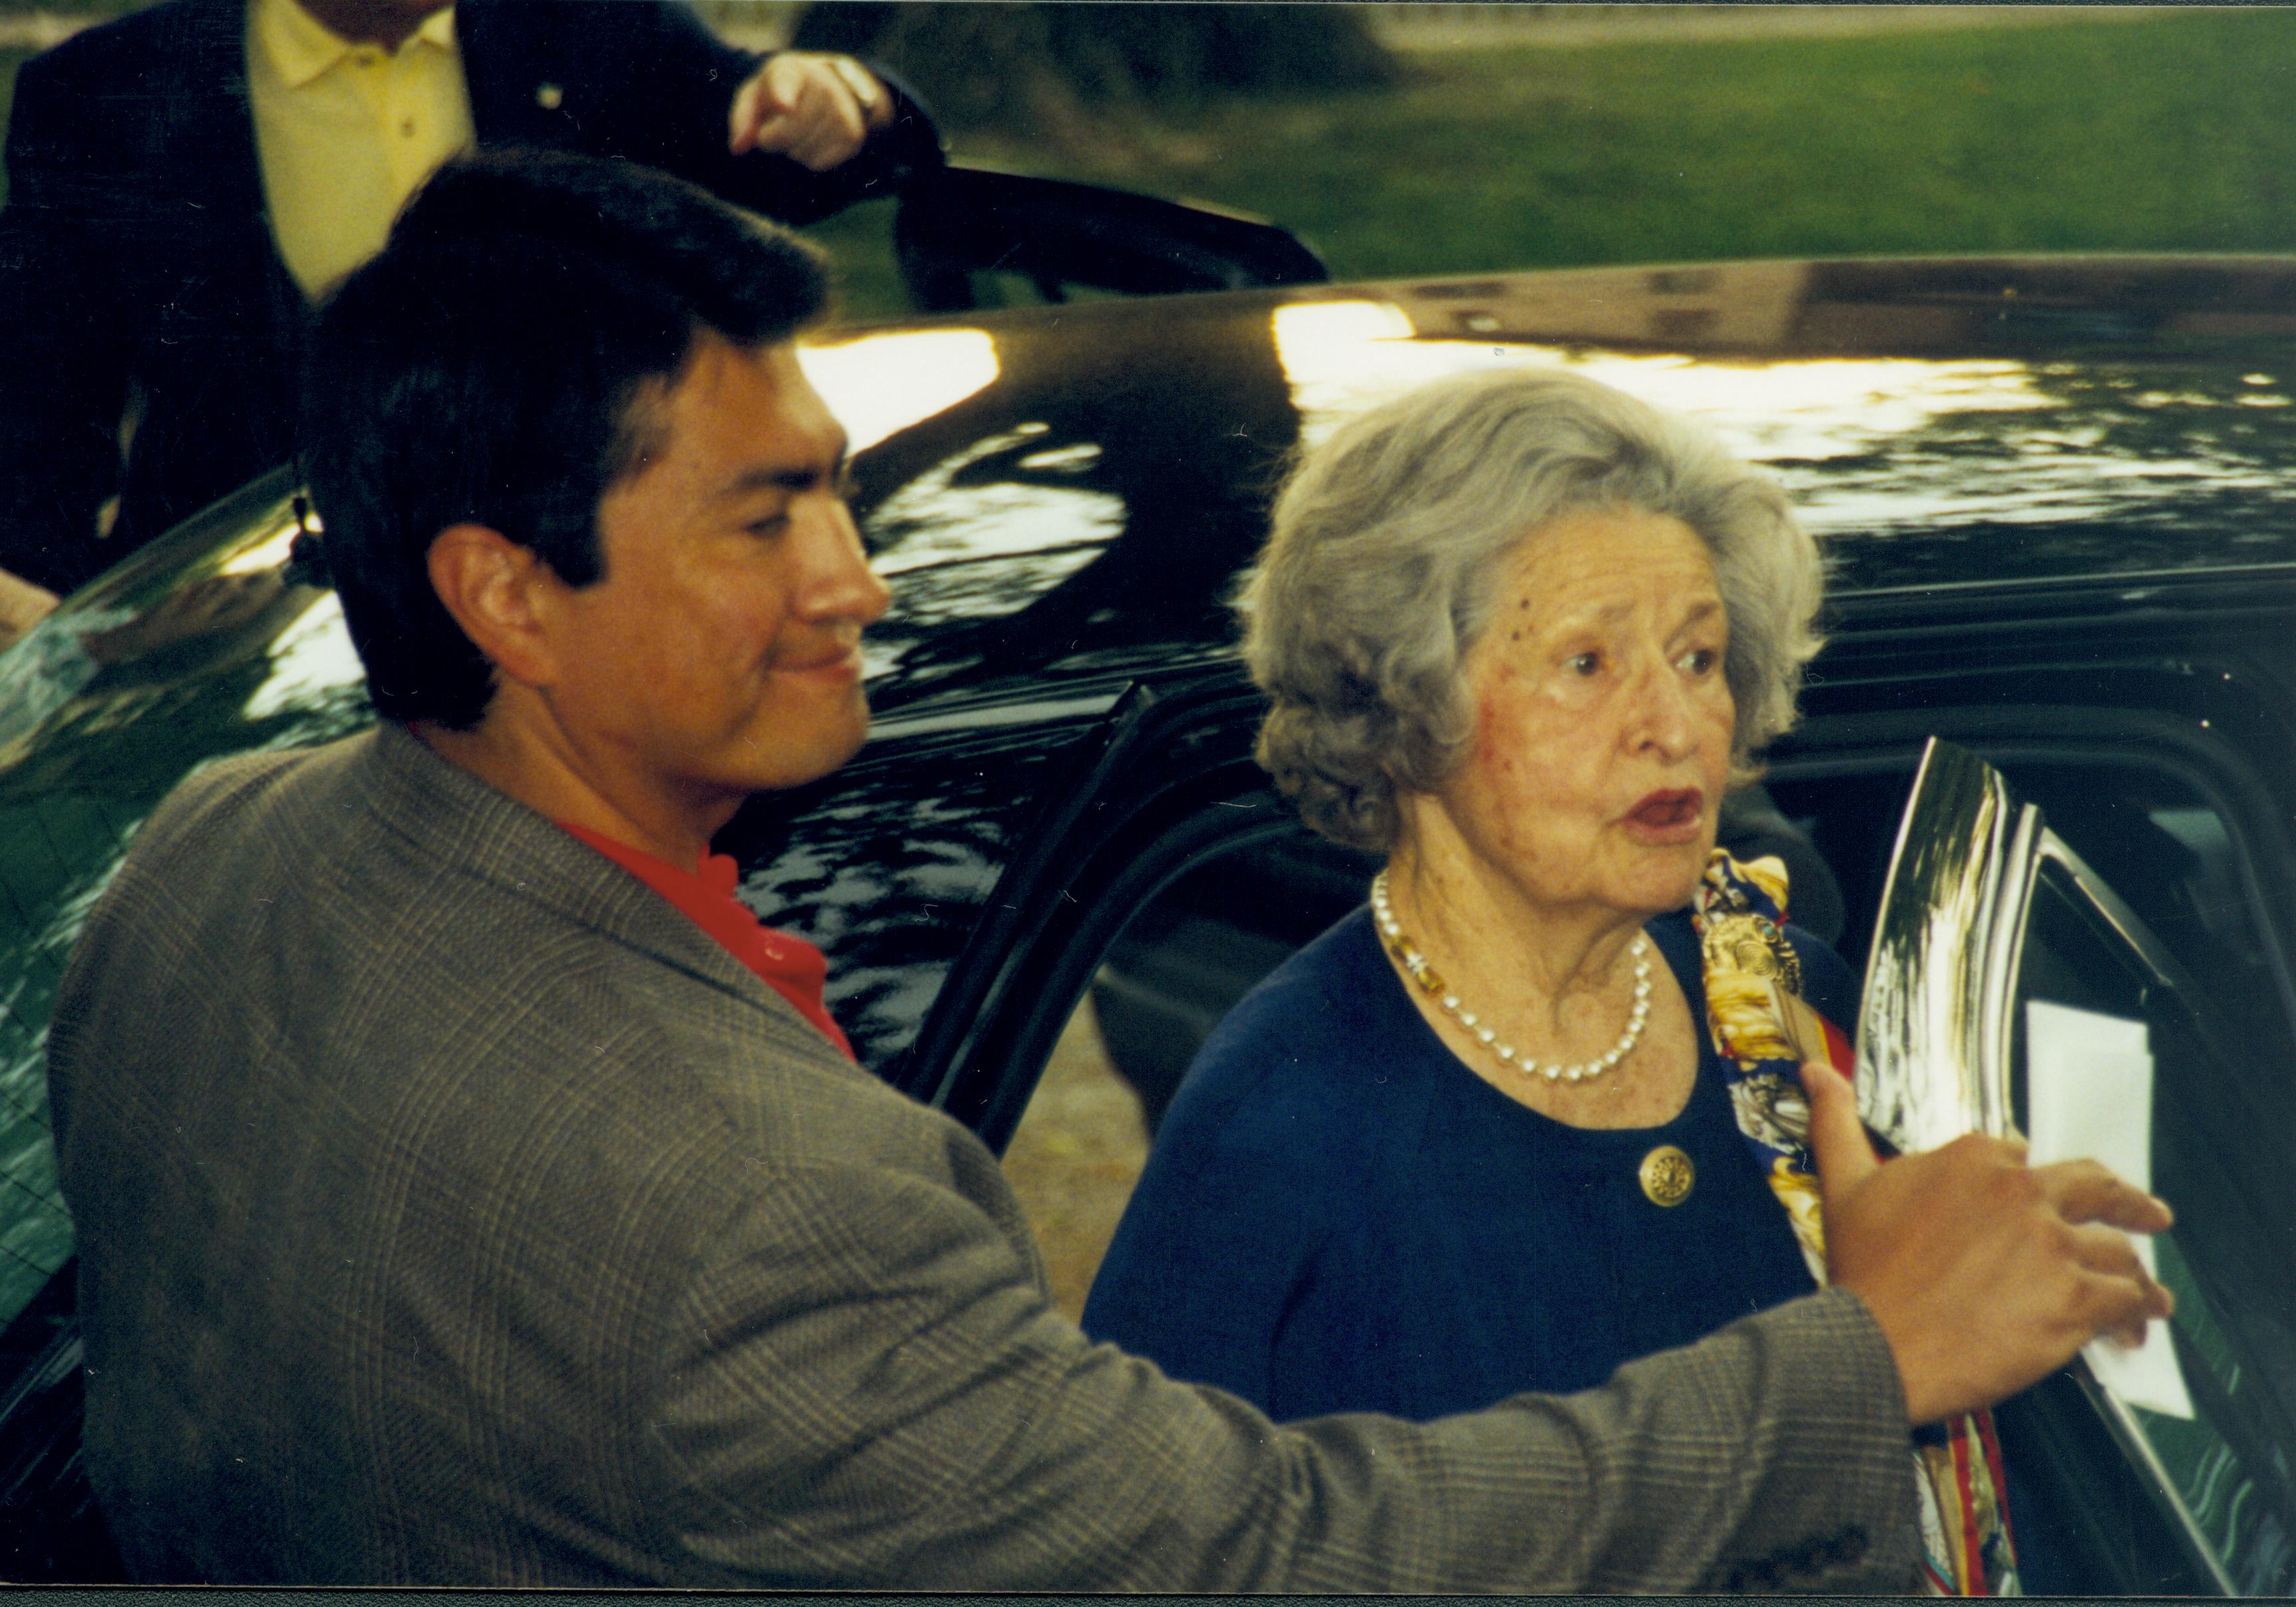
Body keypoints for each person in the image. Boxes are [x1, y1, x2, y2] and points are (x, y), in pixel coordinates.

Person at [45, 149, 2172, 1589]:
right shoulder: (762, 1217)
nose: (855, 585)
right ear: (506, 594)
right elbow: (1257, 1556)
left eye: (837, 502)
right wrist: (1858, 1369)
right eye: (765, 517)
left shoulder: (205, 865)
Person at [1078, 367, 2090, 1593]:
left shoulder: (1772, 996)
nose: (1676, 725)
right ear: (1411, 706)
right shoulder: (1284, 1119)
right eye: (1588, 663)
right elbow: (1146, 1561)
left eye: (1701, 656)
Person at [0, 0, 938, 612]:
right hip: (235, 626)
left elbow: (810, 148)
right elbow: (40, 398)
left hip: (572, 597)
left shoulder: (588, 35)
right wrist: (43, 609)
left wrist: (846, 102)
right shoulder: (107, 91)